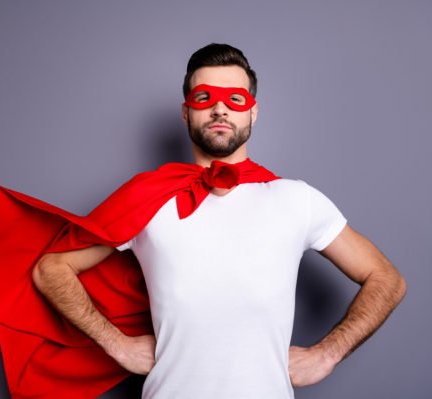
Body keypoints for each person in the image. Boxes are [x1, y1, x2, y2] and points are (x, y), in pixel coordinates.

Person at [32, 43, 407, 398]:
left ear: (252, 112)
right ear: (186, 112)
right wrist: (116, 345)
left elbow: (386, 279)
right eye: (204, 98)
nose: (220, 109)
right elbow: (53, 269)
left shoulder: (297, 200)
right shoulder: (146, 197)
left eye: (235, 99)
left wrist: (329, 353)